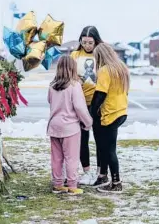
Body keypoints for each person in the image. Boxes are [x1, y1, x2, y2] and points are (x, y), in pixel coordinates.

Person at [47, 55, 93, 195]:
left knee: (57, 157)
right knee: (71, 157)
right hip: (70, 127)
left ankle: (58, 184)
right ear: (73, 68)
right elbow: (79, 107)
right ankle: (72, 185)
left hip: (54, 126)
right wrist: (88, 122)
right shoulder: (74, 85)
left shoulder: (52, 85)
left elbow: (50, 101)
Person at [90, 43, 130, 193]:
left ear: (99, 56)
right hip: (121, 112)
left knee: (109, 150)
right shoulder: (121, 68)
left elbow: (100, 94)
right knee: (105, 146)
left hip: (110, 114)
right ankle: (104, 176)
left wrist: (91, 112)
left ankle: (116, 183)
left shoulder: (105, 70)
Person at [70, 26, 103, 185]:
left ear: (96, 41)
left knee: (100, 138)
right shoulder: (75, 55)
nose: (87, 46)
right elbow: (68, 75)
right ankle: (87, 171)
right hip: (80, 102)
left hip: (98, 102)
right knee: (82, 138)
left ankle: (100, 172)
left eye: (90, 42)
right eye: (84, 42)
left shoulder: (101, 55)